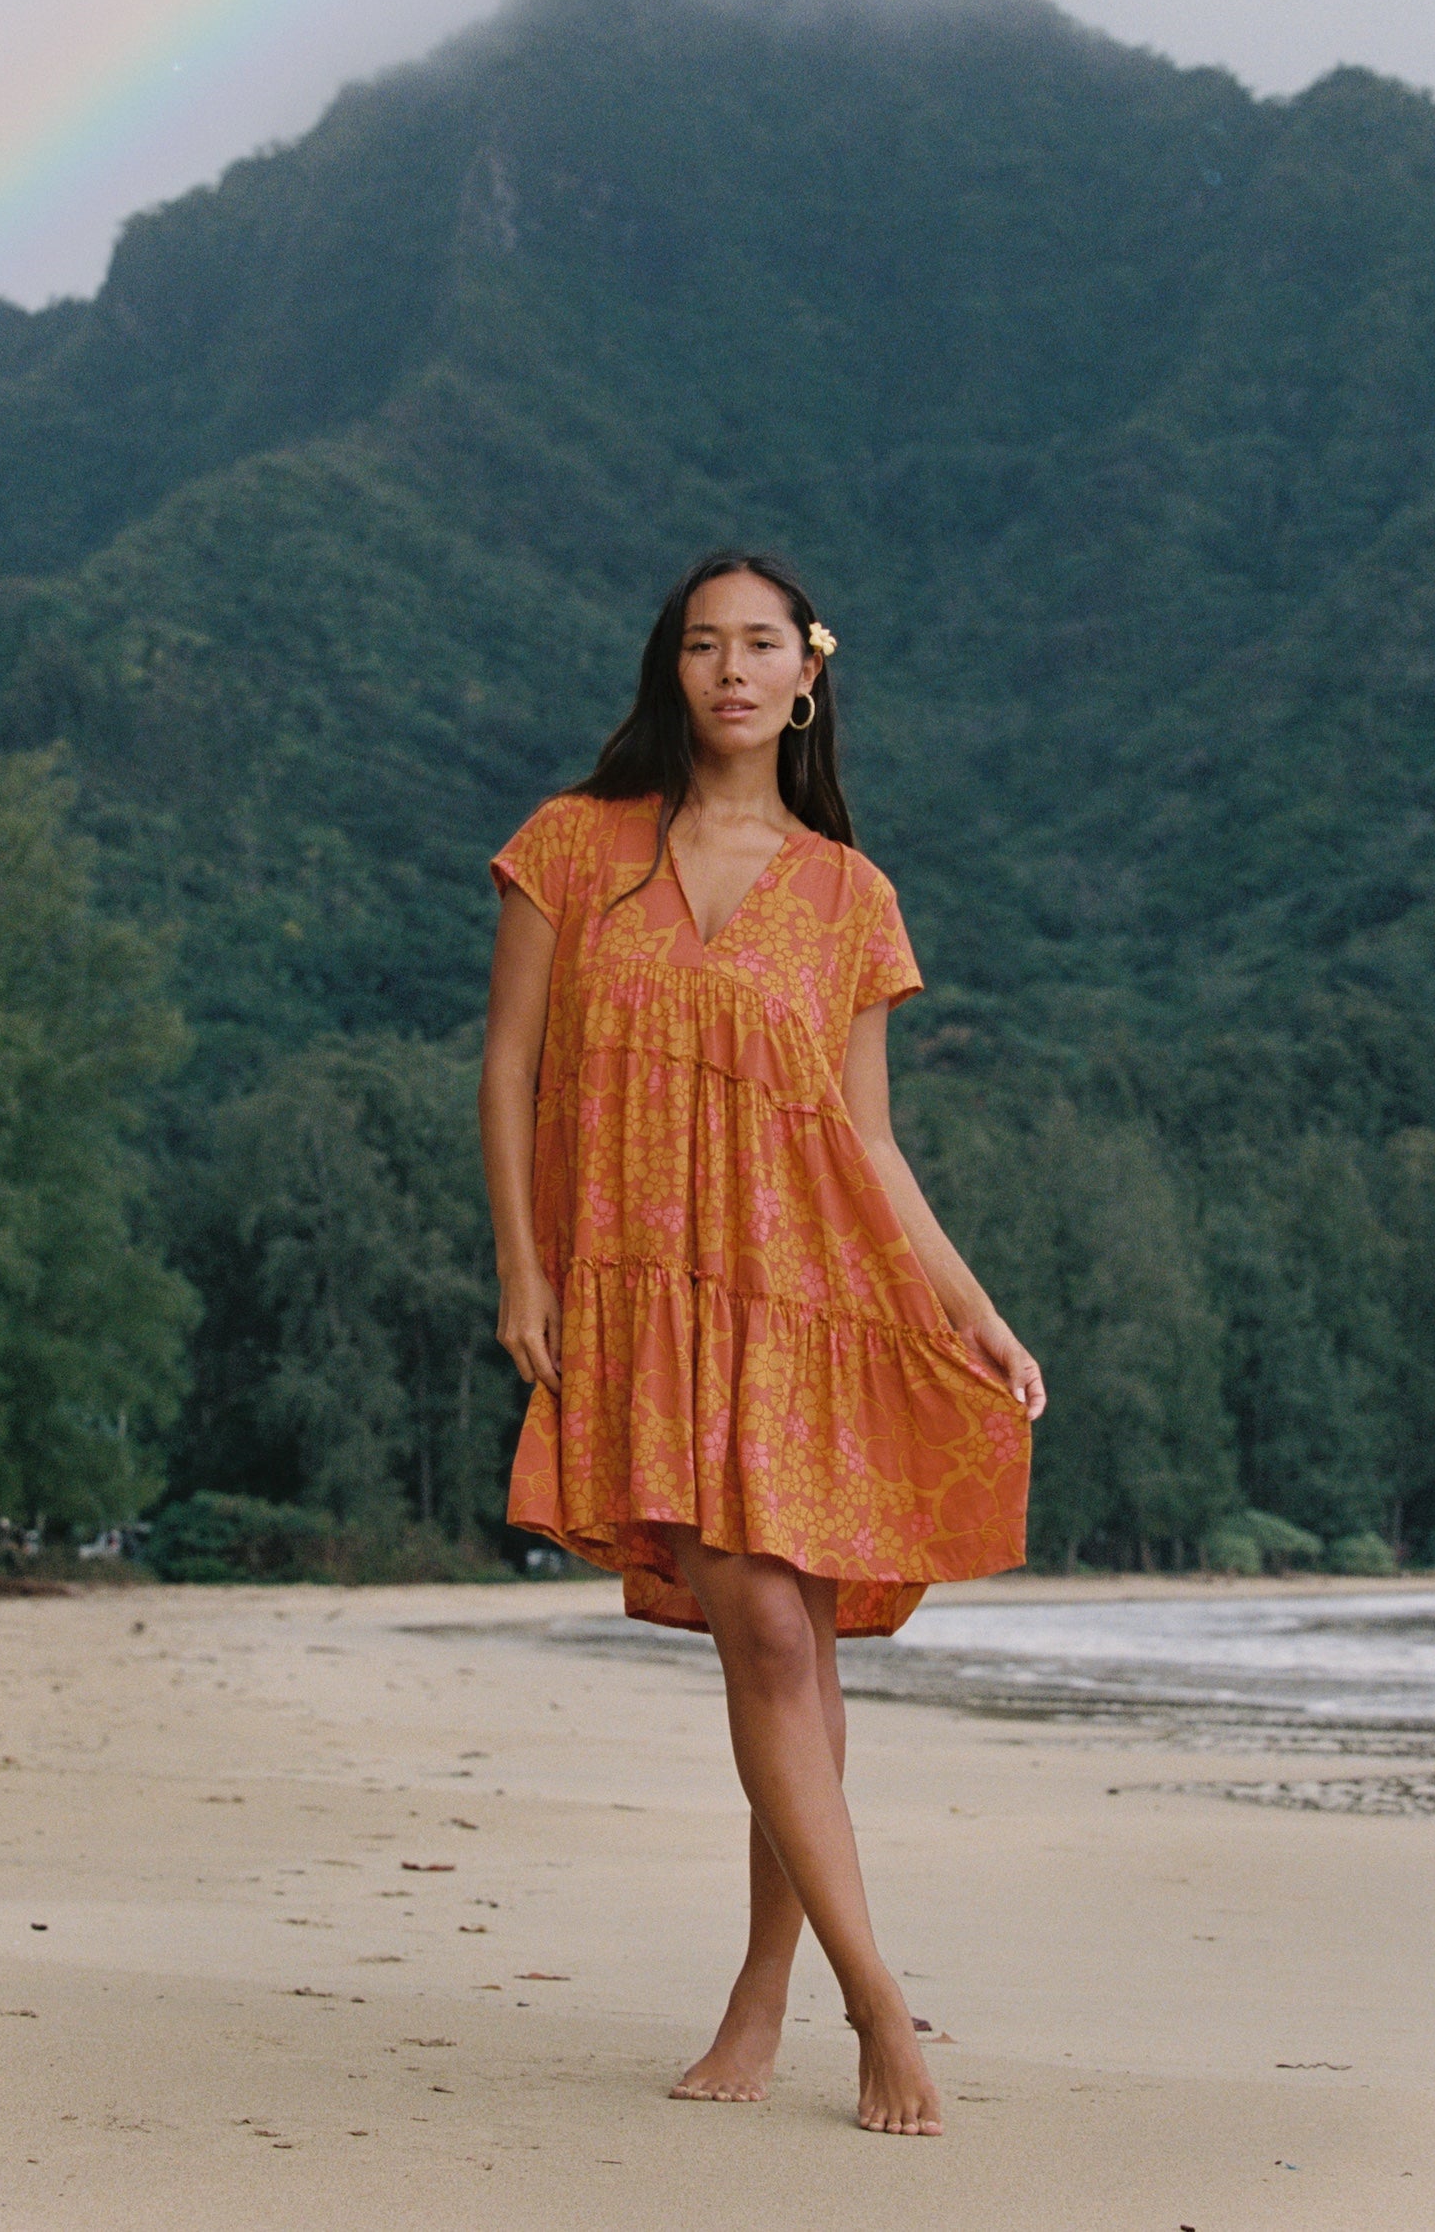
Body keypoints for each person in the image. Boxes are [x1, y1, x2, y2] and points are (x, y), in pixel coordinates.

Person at [479, 549, 1045, 2136]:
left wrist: (974, 1313)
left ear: (809, 675)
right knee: (771, 1638)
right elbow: (509, 1067)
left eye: (762, 646)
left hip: (806, 1311)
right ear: (674, 671)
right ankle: (881, 2010)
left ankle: (769, 1993)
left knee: (790, 1643)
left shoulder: (849, 894)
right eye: (704, 645)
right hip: (642, 1297)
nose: (733, 669)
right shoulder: (574, 850)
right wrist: (523, 1274)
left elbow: (870, 1147)